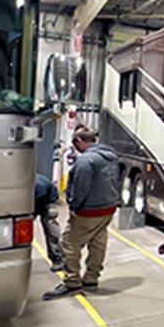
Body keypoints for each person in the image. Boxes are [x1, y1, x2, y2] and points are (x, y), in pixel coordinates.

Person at [44, 126, 122, 299]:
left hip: (89, 211)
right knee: (98, 242)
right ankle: (91, 279)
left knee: (69, 244)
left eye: (74, 144)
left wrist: (74, 207)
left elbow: (80, 188)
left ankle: (72, 282)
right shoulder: (110, 157)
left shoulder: (86, 161)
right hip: (108, 208)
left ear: (79, 141)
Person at [34, 174, 64, 271]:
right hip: (35, 200)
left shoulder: (39, 186)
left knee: (51, 230)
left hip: (48, 201)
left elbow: (39, 201)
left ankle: (58, 259)